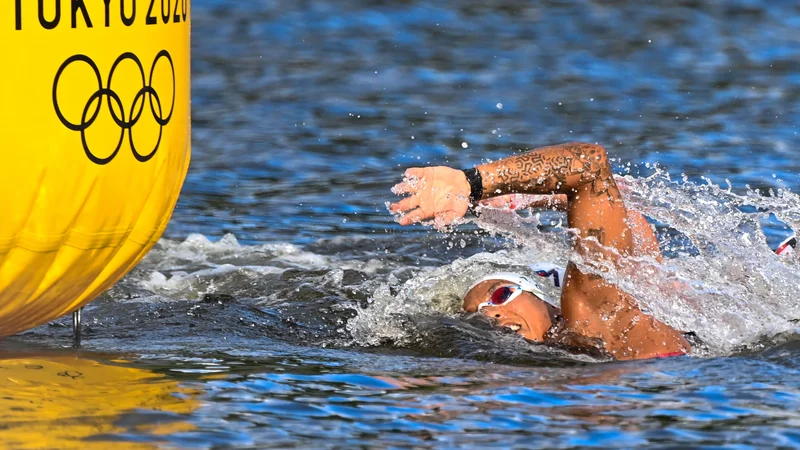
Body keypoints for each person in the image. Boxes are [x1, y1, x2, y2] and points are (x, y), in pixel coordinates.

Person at [389, 142, 691, 360]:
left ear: (549, 299)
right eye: (477, 315)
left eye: (500, 294)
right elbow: (632, 224)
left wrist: (471, 183)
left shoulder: (597, 314)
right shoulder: (639, 296)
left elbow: (590, 164)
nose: (490, 313)